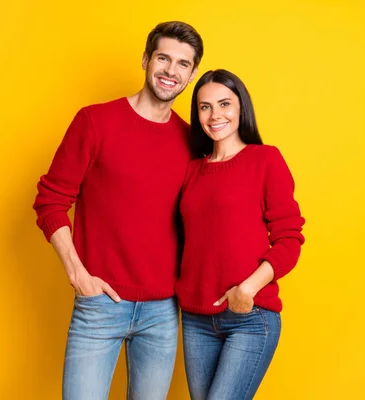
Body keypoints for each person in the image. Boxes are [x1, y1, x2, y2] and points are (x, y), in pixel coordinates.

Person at [33, 21, 203, 400]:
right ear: (146, 59)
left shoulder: (192, 142)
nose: (170, 71)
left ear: (191, 75)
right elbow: (50, 200)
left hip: (162, 312)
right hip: (99, 305)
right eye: (163, 58)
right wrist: (79, 275)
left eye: (182, 64)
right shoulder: (95, 121)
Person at [177, 69, 305, 400]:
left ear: (241, 107)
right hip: (196, 319)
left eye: (224, 104)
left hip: (249, 315)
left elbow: (289, 239)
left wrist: (247, 288)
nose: (215, 115)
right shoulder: (191, 170)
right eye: (205, 107)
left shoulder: (265, 160)